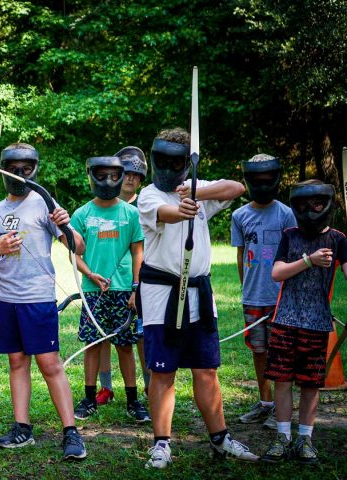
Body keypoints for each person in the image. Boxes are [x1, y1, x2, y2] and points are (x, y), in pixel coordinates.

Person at [137, 128, 256, 469]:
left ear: (186, 163)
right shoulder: (147, 195)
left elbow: (237, 188)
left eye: (176, 160)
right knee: (163, 372)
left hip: (199, 295)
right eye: (163, 159)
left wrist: (194, 190)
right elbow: (167, 214)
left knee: (206, 370)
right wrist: (184, 205)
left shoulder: (197, 188)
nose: (168, 166)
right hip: (162, 296)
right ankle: (161, 444)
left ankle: (220, 438)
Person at [0, 143, 88, 461]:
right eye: (13, 167)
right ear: (4, 169)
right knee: (17, 362)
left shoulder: (43, 204)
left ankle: (71, 433)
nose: (19, 174)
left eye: (26, 167)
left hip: (37, 299)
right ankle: (22, 428)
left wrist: (64, 224)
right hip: (5, 299)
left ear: (35, 169)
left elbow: (78, 248)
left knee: (50, 364)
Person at [260, 180, 347, 464]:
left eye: (316, 203)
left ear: (327, 204)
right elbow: (277, 273)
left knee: (311, 383)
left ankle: (305, 439)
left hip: (317, 324)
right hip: (285, 321)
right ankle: (282, 438)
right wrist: (309, 260)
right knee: (282, 380)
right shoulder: (290, 235)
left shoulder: (337, 239)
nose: (310, 210)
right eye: (303, 204)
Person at [70, 156, 148, 423]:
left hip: (124, 290)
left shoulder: (131, 213)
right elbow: (74, 254)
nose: (107, 181)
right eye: (101, 175)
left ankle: (133, 400)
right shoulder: (82, 214)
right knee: (93, 344)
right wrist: (90, 273)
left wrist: (135, 289)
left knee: (125, 346)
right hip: (93, 292)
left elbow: (138, 252)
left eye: (113, 175)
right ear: (91, 176)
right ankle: (89, 398)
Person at [230, 154, 295, 430]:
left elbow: (293, 253)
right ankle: (265, 402)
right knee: (259, 350)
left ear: (276, 179)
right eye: (257, 180)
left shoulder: (286, 213)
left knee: (282, 352)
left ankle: (281, 407)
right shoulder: (239, 215)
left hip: (281, 297)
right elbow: (241, 255)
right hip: (253, 297)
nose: (263, 185)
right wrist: (246, 288)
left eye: (267, 180)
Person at [95, 146, 151, 404]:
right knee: (105, 335)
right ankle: (106, 387)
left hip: (139, 279)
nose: (130, 179)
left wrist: (137, 284)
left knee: (139, 335)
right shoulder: (103, 202)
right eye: (126, 173)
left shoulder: (147, 204)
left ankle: (150, 386)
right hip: (105, 282)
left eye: (135, 175)